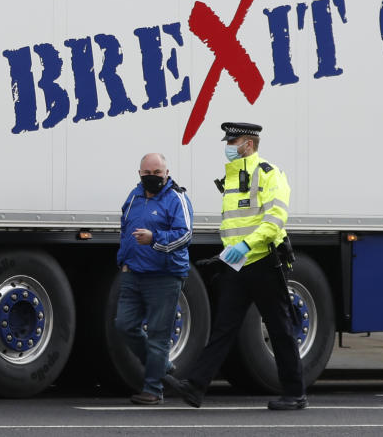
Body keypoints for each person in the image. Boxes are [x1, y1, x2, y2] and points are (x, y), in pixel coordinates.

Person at [172, 122, 306, 410]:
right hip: (237, 264)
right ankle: (195, 388)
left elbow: (275, 220)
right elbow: (235, 223)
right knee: (224, 327)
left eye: (233, 142)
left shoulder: (269, 173)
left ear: (248, 143)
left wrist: (246, 245)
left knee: (280, 328)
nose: (228, 147)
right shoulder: (232, 177)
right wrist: (230, 251)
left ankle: (295, 393)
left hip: (265, 261)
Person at [114, 152, 194, 405]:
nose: (152, 177)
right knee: (124, 325)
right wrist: (123, 259)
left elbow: (185, 235)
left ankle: (153, 389)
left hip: (164, 276)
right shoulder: (134, 196)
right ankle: (162, 366)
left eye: (157, 173)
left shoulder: (177, 198)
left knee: (159, 334)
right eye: (147, 173)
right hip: (133, 273)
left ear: (167, 173)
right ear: (140, 174)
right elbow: (125, 228)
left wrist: (155, 239)